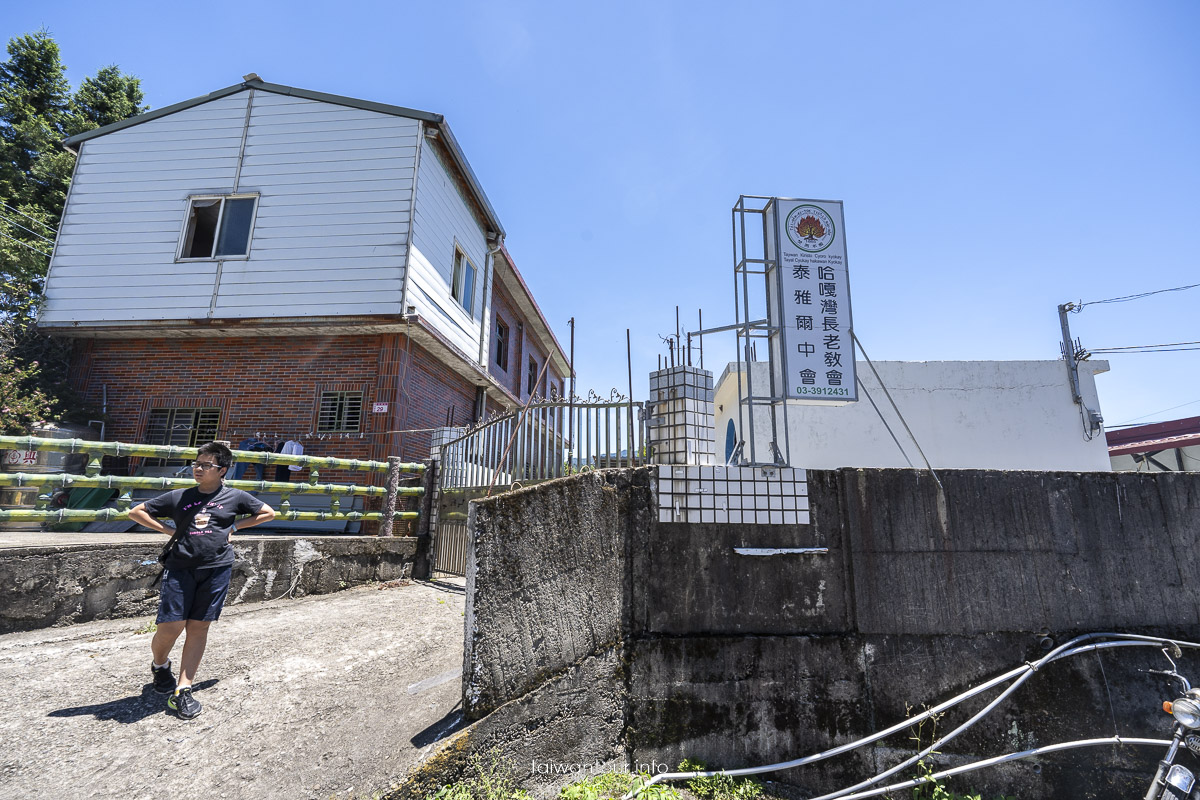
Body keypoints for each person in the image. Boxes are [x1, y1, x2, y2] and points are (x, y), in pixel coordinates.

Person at [128, 441, 276, 719]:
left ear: (222, 470)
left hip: (217, 568)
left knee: (198, 627)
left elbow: (268, 512)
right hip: (180, 567)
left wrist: (236, 525)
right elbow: (136, 512)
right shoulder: (178, 497)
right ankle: (160, 665)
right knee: (170, 627)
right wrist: (167, 529)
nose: (198, 468)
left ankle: (183, 690)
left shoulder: (235, 497)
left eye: (206, 465)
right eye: (196, 463)